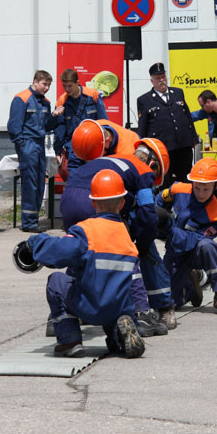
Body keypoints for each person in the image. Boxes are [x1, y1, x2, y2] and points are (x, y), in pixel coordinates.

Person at [58, 132, 172, 334]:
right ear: (153, 164)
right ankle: (143, 314)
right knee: (126, 254)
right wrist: (143, 244)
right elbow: (148, 212)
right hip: (94, 200)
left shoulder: (113, 158)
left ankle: (62, 315)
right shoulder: (144, 171)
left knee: (81, 253)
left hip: (68, 200)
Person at [27, 169, 145, 358]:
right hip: (118, 307)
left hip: (89, 308)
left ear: (92, 202)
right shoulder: (126, 237)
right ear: (123, 203)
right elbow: (136, 279)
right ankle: (120, 335)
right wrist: (139, 311)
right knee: (116, 292)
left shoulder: (86, 231)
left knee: (56, 281)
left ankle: (70, 341)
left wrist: (36, 243)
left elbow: (59, 251)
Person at [156, 158, 217, 314]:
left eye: (206, 189)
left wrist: (170, 231)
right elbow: (160, 198)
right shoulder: (178, 189)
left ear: (216, 186)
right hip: (174, 252)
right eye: (197, 188)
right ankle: (191, 286)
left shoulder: (216, 215)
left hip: (195, 251)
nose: (200, 193)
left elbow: (196, 239)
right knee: (170, 302)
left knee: (209, 246)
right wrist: (158, 216)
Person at [7, 70, 59, 233]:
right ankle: (28, 223)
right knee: (29, 183)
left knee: (38, 182)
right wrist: (21, 144)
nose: (47, 88)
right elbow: (14, 125)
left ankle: (33, 219)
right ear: (35, 82)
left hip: (39, 144)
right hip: (28, 144)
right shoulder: (21, 98)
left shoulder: (45, 102)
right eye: (44, 84)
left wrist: (55, 116)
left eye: (49, 85)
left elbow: (47, 126)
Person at [137, 62, 198, 188]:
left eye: (163, 76)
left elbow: (187, 116)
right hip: (163, 148)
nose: (162, 80)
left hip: (183, 145)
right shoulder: (144, 100)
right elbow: (143, 127)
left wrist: (194, 138)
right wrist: (142, 148)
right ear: (152, 81)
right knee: (166, 180)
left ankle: (185, 205)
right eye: (158, 78)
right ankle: (167, 206)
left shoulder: (178, 93)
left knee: (186, 178)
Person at [50, 68, 108, 179]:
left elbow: (103, 121)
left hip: (94, 144)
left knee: (95, 177)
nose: (67, 89)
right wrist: (58, 151)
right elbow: (60, 129)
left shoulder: (93, 95)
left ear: (77, 83)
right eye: (64, 86)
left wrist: (105, 146)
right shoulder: (62, 101)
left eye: (70, 86)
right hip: (74, 146)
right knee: (74, 178)